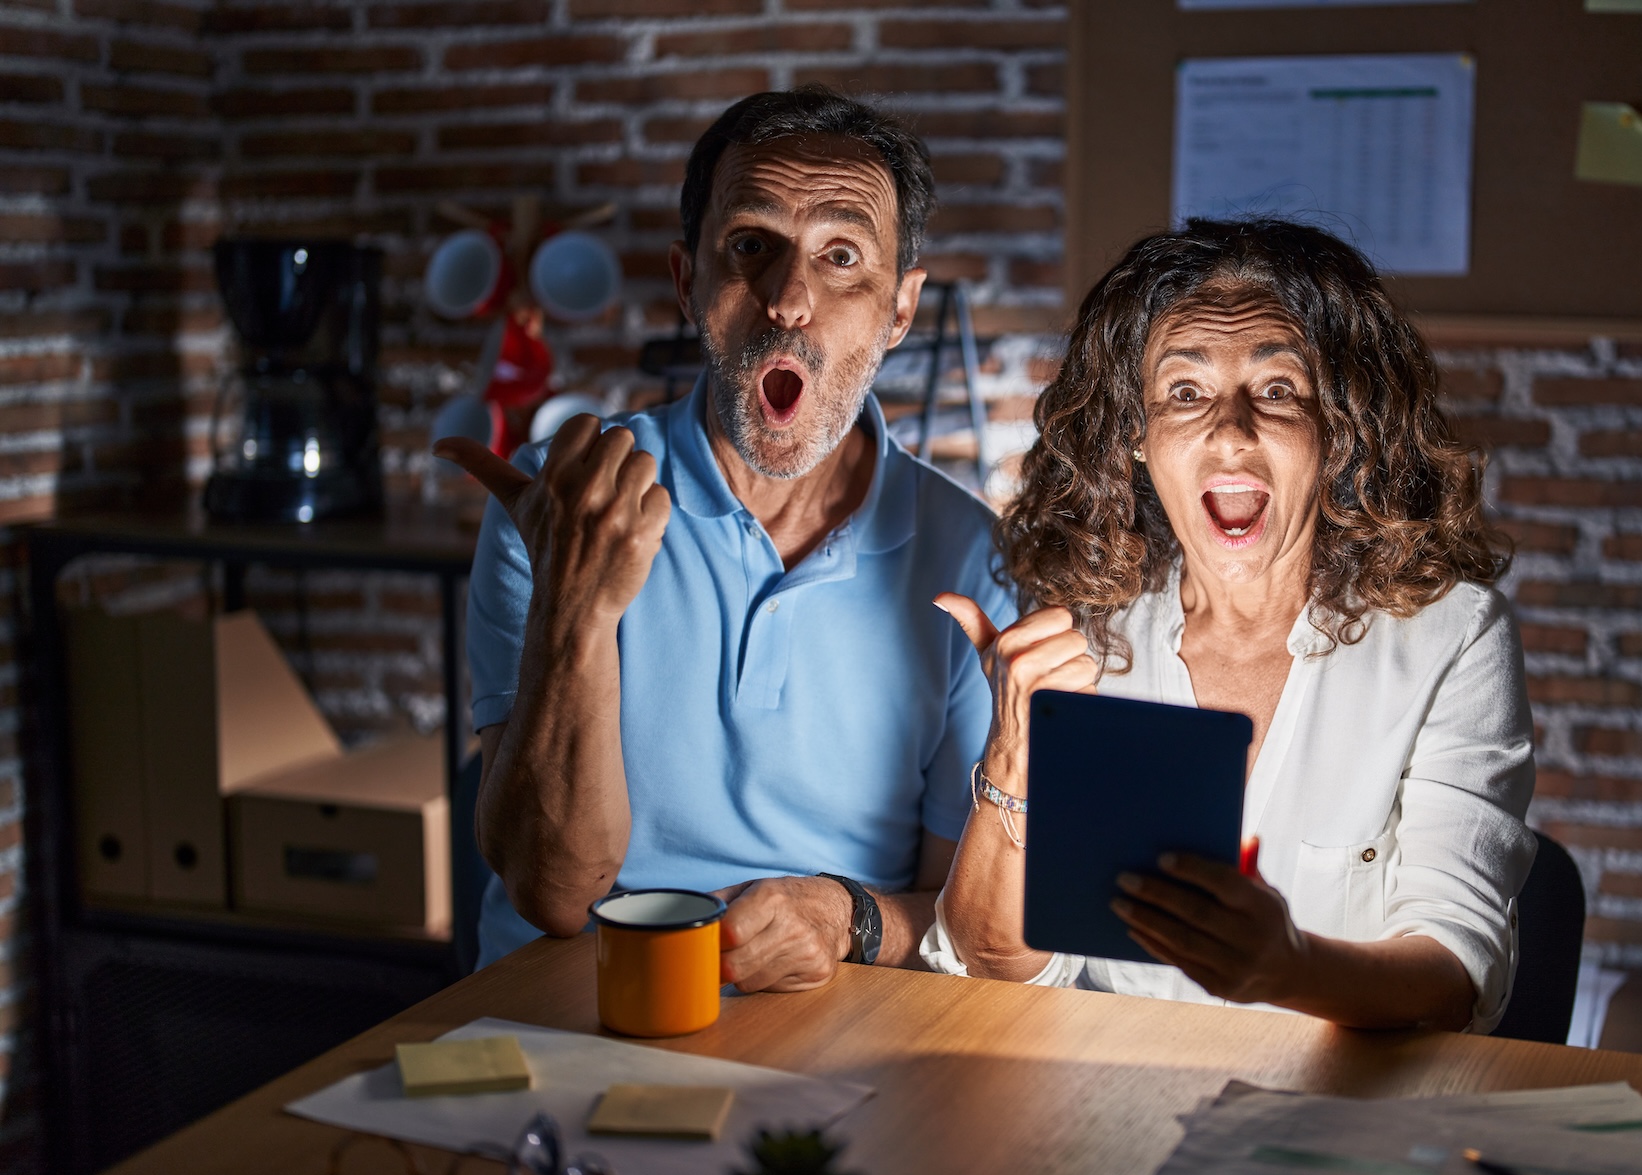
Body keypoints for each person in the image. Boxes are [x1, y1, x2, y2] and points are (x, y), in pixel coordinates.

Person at [439, 86, 1011, 986]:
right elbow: (551, 891)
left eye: (840, 256)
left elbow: (955, 917)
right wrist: (576, 606)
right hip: (567, 1005)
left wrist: (844, 914)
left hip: (830, 1013)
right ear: (687, 281)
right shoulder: (569, 501)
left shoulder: (972, 557)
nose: (789, 299)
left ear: (900, 311)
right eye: (751, 247)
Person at [926, 218, 1535, 1033]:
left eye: (1277, 390)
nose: (1230, 429)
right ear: (1136, 438)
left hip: (1339, 1117)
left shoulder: (1451, 639)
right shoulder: (1088, 636)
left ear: (1340, 429)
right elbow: (986, 966)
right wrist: (1013, 757)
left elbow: (1454, 977)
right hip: (1106, 1107)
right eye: (1184, 392)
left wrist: (1287, 968)